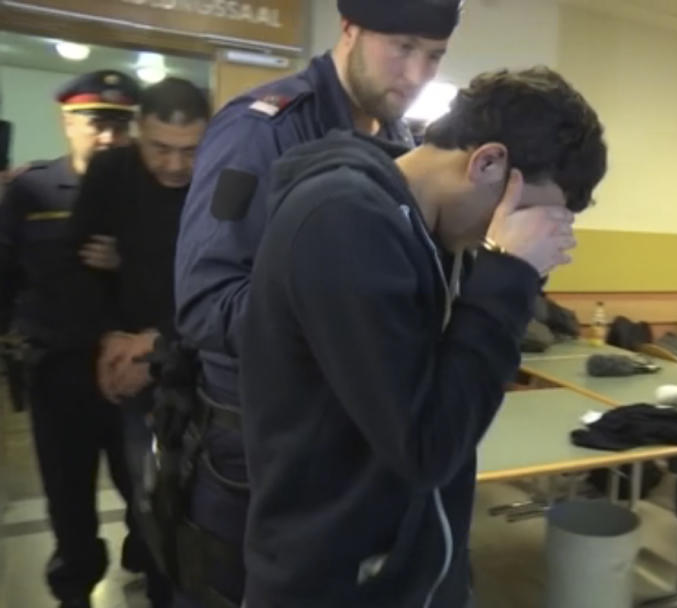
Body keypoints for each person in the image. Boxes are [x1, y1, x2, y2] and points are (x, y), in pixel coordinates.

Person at [239, 65, 606, 607]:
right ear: (487, 162)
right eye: (523, 217)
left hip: (409, 572)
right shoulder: (343, 220)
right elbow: (425, 446)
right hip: (336, 584)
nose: (507, 236)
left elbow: (444, 405)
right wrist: (509, 275)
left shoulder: (420, 228)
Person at [173, 1, 461, 605]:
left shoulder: (400, 144)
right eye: (402, 47)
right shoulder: (263, 129)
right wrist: (337, 321)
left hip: (355, 446)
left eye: (433, 56)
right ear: (349, 29)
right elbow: (204, 301)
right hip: (254, 451)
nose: (416, 75)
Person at [0, 70, 144, 608]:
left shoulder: (143, 191)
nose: (108, 136)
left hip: (129, 372)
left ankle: (148, 562)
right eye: (96, 123)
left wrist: (125, 262)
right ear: (68, 122)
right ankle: (75, 587)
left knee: (143, 487)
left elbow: (169, 277)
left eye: (119, 125)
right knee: (68, 494)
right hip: (58, 370)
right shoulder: (32, 190)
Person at [65, 77, 211, 608]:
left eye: (189, 150)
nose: (175, 166)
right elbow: (79, 259)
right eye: (160, 149)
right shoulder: (112, 172)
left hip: (202, 365)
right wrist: (108, 338)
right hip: (129, 360)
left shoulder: (224, 180)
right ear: (138, 134)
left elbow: (226, 284)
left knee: (205, 503)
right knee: (148, 499)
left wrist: (159, 338)